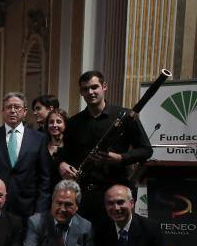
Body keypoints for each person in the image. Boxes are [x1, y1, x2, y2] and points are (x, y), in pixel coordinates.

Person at [58, 70, 152, 223]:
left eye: (94, 87)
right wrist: (62, 164)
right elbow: (65, 154)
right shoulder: (74, 122)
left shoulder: (125, 117)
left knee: (112, 241)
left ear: (104, 87)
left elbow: (146, 150)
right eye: (85, 89)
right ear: (81, 92)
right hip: (83, 194)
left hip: (115, 193)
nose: (90, 92)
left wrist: (121, 158)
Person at [0, 92, 51, 222]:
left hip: (29, 209)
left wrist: (40, 210)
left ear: (25, 111)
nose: (12, 111)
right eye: (8, 107)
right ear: (2, 110)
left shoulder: (38, 139)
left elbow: (45, 178)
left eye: (17, 107)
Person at [45, 109, 67, 194]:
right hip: (45, 193)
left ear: (65, 125)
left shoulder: (71, 147)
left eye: (58, 121)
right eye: (51, 122)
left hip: (64, 193)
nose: (54, 125)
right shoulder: (41, 145)